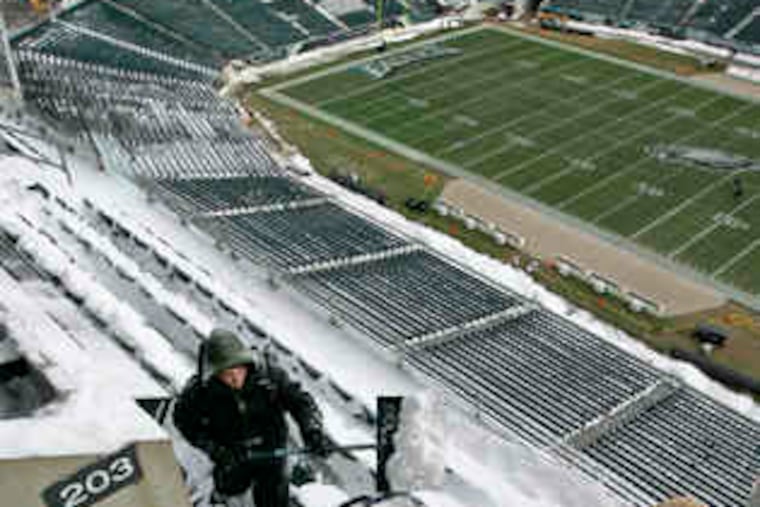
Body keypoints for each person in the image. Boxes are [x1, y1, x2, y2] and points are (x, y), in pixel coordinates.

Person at [173, 328, 330, 507]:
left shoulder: (269, 379)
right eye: (226, 374)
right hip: (232, 454)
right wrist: (216, 450)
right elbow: (184, 421)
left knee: (274, 496)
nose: (234, 378)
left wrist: (312, 430)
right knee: (230, 489)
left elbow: (301, 402)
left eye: (238, 370)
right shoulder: (201, 392)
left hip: (271, 450)